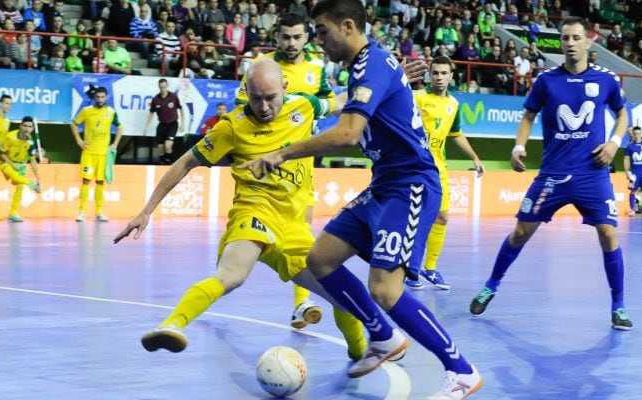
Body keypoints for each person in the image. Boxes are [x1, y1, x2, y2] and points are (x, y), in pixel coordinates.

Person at [240, 1, 483, 397]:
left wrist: (282, 152)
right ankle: (383, 336)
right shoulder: (365, 67)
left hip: (411, 184)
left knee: (385, 289)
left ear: (347, 25)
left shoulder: (371, 63)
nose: (318, 42)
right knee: (320, 258)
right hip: (384, 183)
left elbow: (349, 133)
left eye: (321, 32)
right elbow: (356, 106)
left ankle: (461, 370)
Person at [113, 59, 369, 365]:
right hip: (253, 214)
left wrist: (385, 87)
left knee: (339, 292)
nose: (263, 106)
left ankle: (360, 352)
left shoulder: (305, 106)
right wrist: (146, 210)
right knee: (231, 275)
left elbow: (342, 102)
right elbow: (184, 163)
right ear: (245, 90)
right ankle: (172, 325)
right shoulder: (232, 126)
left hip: (294, 227)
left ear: (285, 89)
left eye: (270, 98)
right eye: (256, 97)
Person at [468, 17, 633, 332]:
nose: (569, 43)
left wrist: (614, 143)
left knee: (608, 233)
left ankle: (619, 306)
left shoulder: (608, 80)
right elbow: (528, 116)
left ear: (588, 42)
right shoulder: (545, 81)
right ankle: (491, 285)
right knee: (520, 232)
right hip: (553, 174)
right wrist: (518, 147)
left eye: (575, 38)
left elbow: (623, 114)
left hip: (592, 174)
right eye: (564, 38)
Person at [235, 12, 336, 330]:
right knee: (264, 238)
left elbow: (330, 101)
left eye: (296, 37)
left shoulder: (316, 70)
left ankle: (300, 304)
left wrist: (313, 116)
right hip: (265, 167)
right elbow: (242, 108)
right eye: (284, 37)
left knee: (302, 235)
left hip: (301, 166)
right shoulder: (261, 68)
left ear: (307, 37)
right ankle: (231, 268)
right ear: (275, 37)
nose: (290, 43)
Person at [405, 56, 485, 291]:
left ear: (451, 76)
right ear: (429, 74)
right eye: (435, 73)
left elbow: (456, 133)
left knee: (442, 217)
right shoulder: (416, 98)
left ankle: (429, 269)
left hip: (439, 169)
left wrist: (474, 156)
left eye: (444, 73)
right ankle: (411, 270)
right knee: (416, 220)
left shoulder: (454, 104)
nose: (439, 77)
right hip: (415, 167)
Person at [70, 87, 123, 222]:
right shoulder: (86, 111)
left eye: (102, 97)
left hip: (103, 154)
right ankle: (82, 212)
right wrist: (78, 140)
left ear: (106, 97)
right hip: (89, 153)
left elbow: (120, 127)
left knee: (100, 182)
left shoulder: (111, 112)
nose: (100, 99)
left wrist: (115, 144)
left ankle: (99, 212)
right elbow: (73, 124)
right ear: (94, 97)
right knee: (86, 181)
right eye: (98, 97)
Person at [0, 116, 42, 222]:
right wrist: (12, 164)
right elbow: (0, 152)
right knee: (11, 172)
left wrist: (38, 177)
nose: (27, 129)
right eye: (25, 126)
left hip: (18, 164)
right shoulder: (10, 137)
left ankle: (13, 213)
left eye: (30, 127)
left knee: (20, 186)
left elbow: (33, 160)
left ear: (32, 129)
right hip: (4, 161)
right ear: (20, 126)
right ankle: (30, 183)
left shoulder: (31, 142)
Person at [142, 78, 185, 165]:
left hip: (173, 124)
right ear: (159, 87)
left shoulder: (173, 96)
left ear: (167, 86)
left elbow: (181, 109)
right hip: (162, 125)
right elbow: (151, 113)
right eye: (161, 87)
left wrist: (183, 123)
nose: (163, 89)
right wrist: (146, 127)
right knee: (160, 148)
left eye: (164, 87)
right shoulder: (155, 99)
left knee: (168, 145)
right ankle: (162, 164)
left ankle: (170, 164)